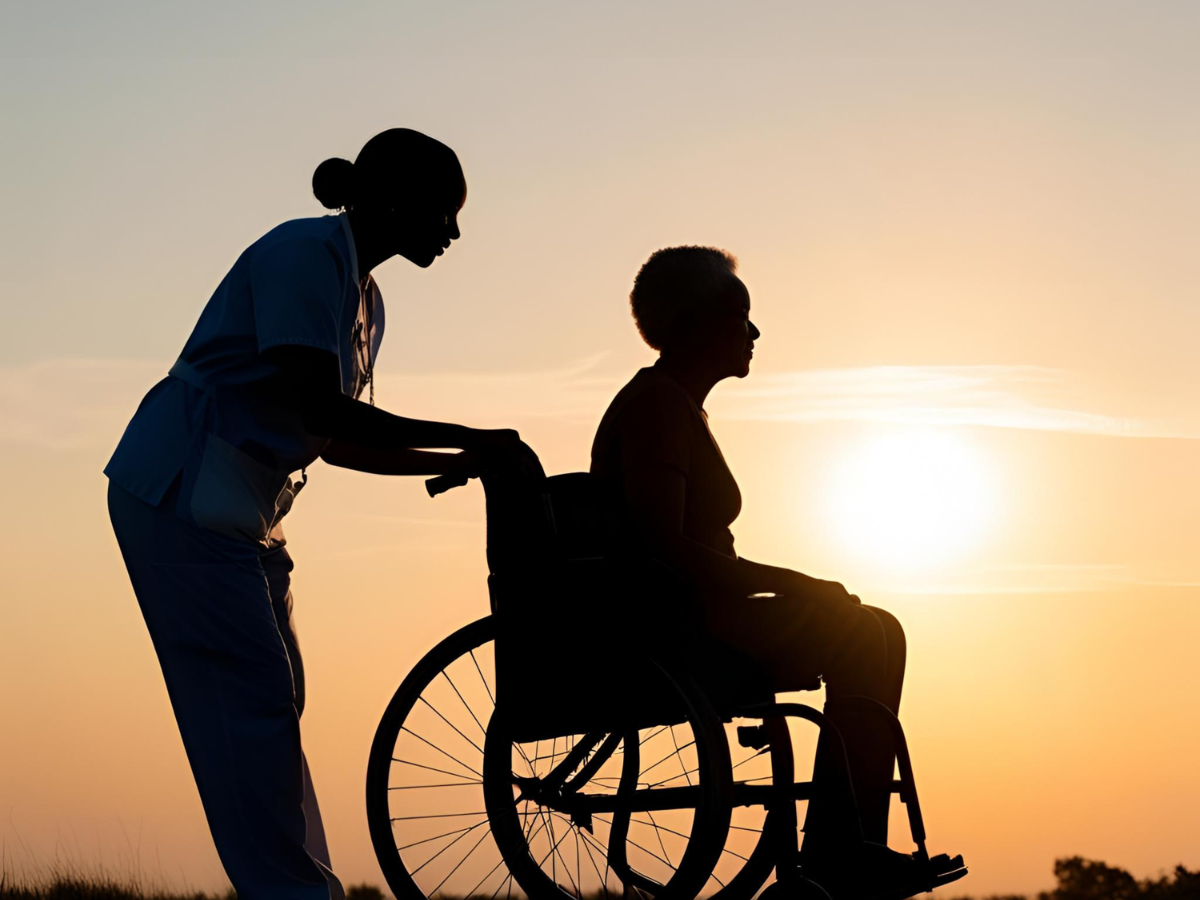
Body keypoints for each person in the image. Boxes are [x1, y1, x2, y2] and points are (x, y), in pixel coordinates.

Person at [105, 128, 535, 900]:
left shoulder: (366, 298)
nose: (455, 231)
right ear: (397, 200)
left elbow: (335, 442)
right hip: (179, 495)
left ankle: (303, 888)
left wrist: (460, 461)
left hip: (241, 507)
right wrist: (474, 439)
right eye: (446, 211)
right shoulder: (302, 256)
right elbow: (321, 405)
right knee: (251, 704)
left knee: (279, 699)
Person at [590, 246, 965, 900]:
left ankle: (848, 845)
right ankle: (843, 853)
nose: (754, 333)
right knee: (859, 632)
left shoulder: (675, 404)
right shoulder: (656, 406)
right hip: (675, 632)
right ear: (701, 322)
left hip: (697, 616)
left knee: (878, 627)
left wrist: (792, 589)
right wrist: (796, 585)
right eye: (742, 317)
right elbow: (663, 547)